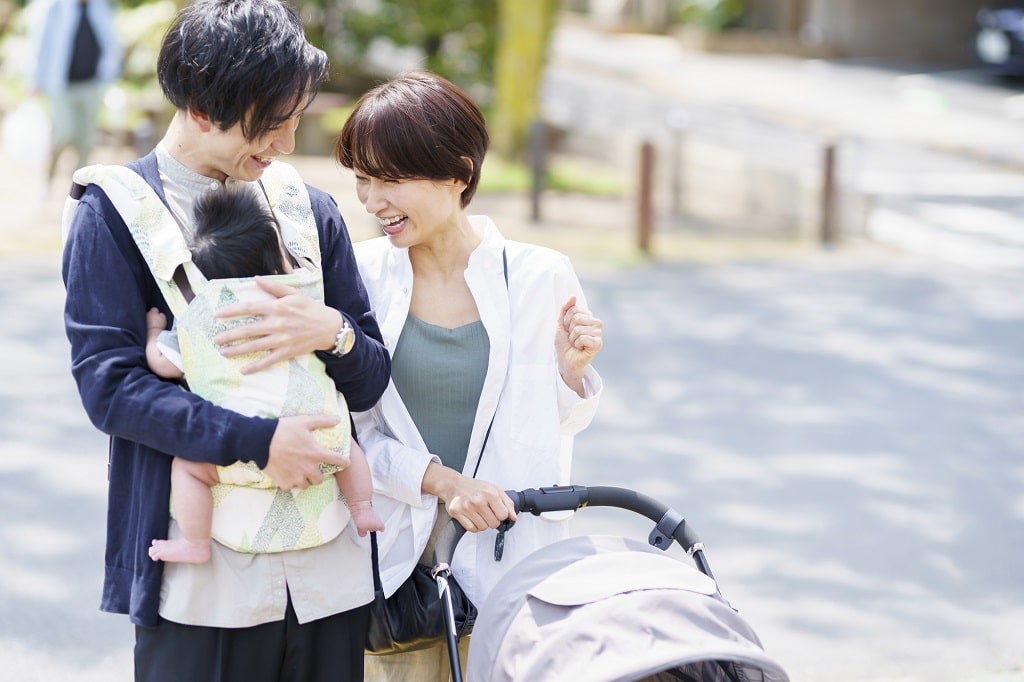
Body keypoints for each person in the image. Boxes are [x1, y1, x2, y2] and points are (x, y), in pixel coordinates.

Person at [60, 0, 391, 680]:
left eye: (295, 119)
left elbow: (370, 378)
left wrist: (333, 333)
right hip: (202, 584)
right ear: (202, 110)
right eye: (271, 124)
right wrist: (259, 441)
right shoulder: (114, 215)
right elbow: (111, 390)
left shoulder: (308, 210)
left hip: (329, 572)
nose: (286, 145)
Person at [336, 70, 604, 680]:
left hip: (513, 569)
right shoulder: (359, 275)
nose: (372, 201)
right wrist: (440, 481)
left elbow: (553, 428)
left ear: (458, 173)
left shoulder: (540, 275)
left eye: (390, 179)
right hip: (397, 575)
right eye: (362, 179)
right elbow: (345, 432)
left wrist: (570, 374)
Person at [143, 187, 384, 565]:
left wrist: (154, 333)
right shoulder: (298, 302)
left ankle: (195, 541)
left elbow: (163, 364)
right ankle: (362, 507)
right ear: (277, 256)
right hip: (318, 440)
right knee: (348, 447)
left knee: (187, 468)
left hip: (238, 451)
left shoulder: (201, 314)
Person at [26, 0, 121, 190]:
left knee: (86, 140)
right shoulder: (55, 7)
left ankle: (77, 190)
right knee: (63, 134)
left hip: (92, 84)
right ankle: (48, 177)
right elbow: (41, 43)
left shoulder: (100, 7)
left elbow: (111, 42)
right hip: (61, 85)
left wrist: (110, 73)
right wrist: (34, 79)